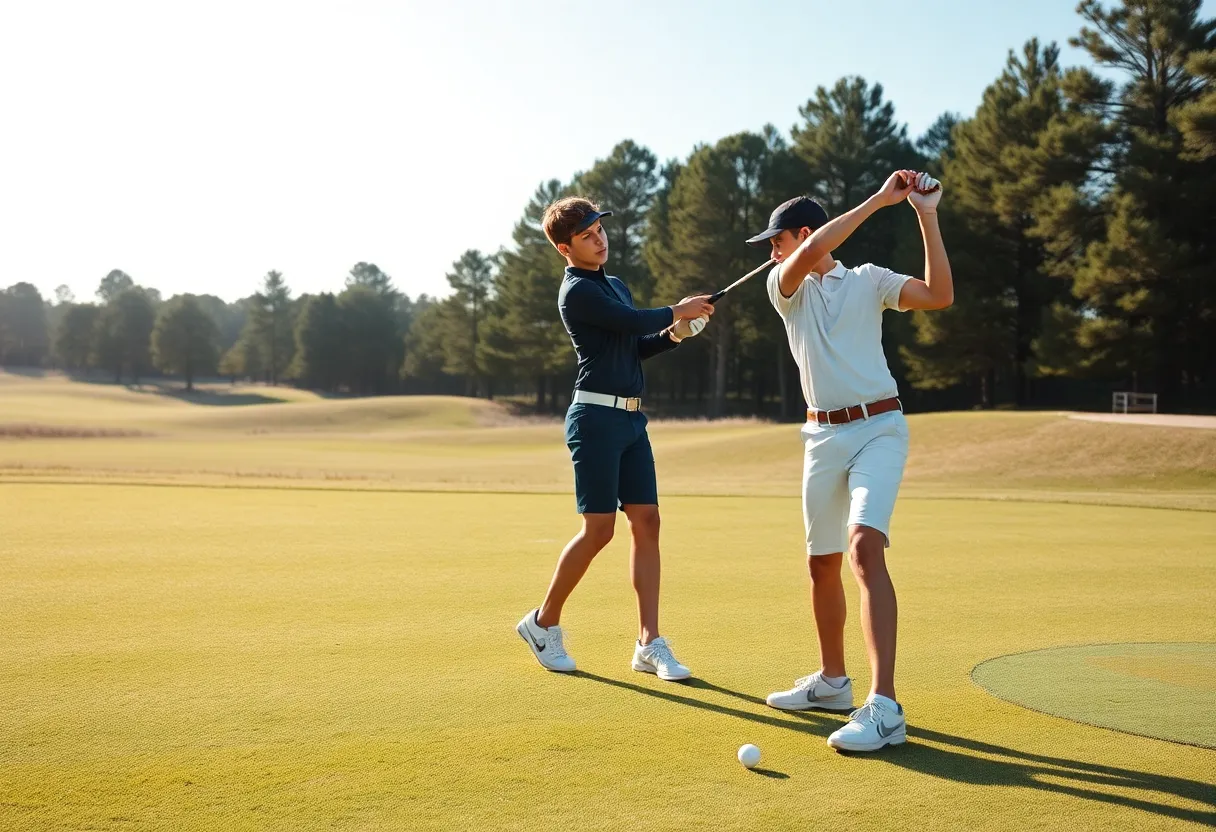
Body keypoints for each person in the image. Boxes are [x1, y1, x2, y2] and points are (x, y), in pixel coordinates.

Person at [749, 170, 952, 751]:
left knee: (865, 548)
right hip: (821, 437)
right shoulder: (784, 289)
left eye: (775, 240)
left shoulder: (869, 281)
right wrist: (879, 199)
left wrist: (924, 214)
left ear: (802, 230)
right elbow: (812, 251)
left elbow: (940, 295)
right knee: (821, 564)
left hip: (879, 428)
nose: (771, 251)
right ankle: (834, 682)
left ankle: (884, 706)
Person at [516, 196, 715, 681]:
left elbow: (634, 344)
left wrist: (675, 334)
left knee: (647, 520)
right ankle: (542, 623)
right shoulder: (576, 292)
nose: (599, 238)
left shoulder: (616, 286)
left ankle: (649, 642)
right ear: (566, 248)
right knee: (600, 529)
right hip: (594, 420)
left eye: (600, 229)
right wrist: (676, 308)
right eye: (586, 235)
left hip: (630, 421)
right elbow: (629, 322)